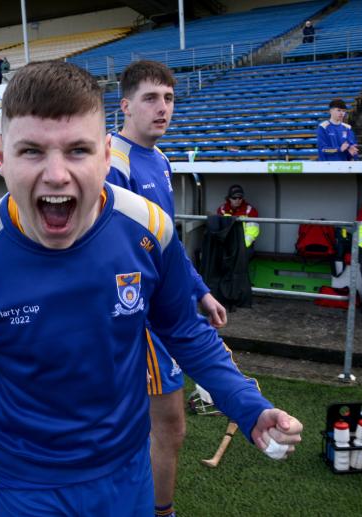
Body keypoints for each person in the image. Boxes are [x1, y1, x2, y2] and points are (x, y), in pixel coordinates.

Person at [0, 60, 303, 517]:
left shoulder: (148, 229)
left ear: (105, 154)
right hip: (25, 488)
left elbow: (184, 330)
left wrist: (248, 406)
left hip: (128, 473)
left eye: (77, 150)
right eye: (32, 150)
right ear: (0, 157)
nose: (56, 174)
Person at [106, 59, 227, 517]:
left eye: (169, 98)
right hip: (137, 316)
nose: (163, 108)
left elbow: (166, 241)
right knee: (168, 427)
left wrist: (198, 290)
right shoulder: (112, 163)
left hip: (162, 309)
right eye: (151, 98)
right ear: (126, 105)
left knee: (157, 426)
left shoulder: (159, 159)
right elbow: (114, 254)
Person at [217, 184, 260, 260]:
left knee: (242, 259)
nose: (237, 200)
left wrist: (242, 246)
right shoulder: (222, 210)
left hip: (244, 245)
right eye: (234, 198)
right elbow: (219, 230)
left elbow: (252, 232)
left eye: (240, 198)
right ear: (229, 198)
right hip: (226, 244)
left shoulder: (250, 211)